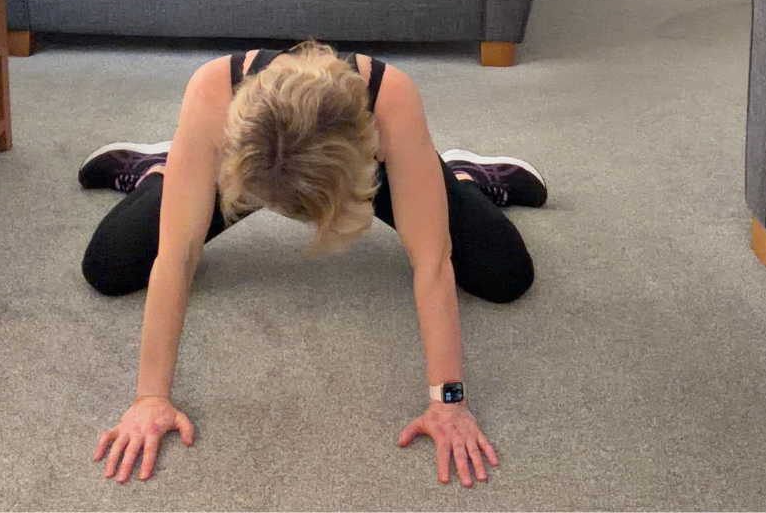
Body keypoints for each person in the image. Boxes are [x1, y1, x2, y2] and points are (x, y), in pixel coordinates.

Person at [78, 42, 547, 487]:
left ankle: (463, 176)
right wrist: (150, 397)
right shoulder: (211, 93)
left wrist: (448, 401)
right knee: (109, 265)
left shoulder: (391, 99)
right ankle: (158, 170)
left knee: (505, 274)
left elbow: (432, 261)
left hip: (356, 156)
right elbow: (176, 256)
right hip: (254, 158)